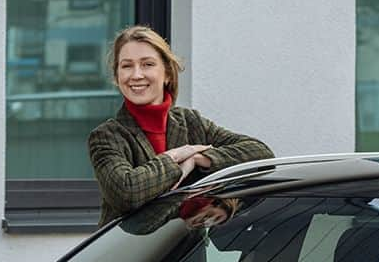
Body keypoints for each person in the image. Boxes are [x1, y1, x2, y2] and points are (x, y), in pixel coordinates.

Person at [88, 25, 273, 224]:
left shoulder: (191, 122)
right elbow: (127, 193)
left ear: (167, 73)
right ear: (117, 76)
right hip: (131, 254)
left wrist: (198, 158)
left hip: (184, 254)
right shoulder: (107, 136)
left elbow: (261, 154)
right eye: (126, 66)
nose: (136, 74)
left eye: (147, 64)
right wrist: (175, 157)